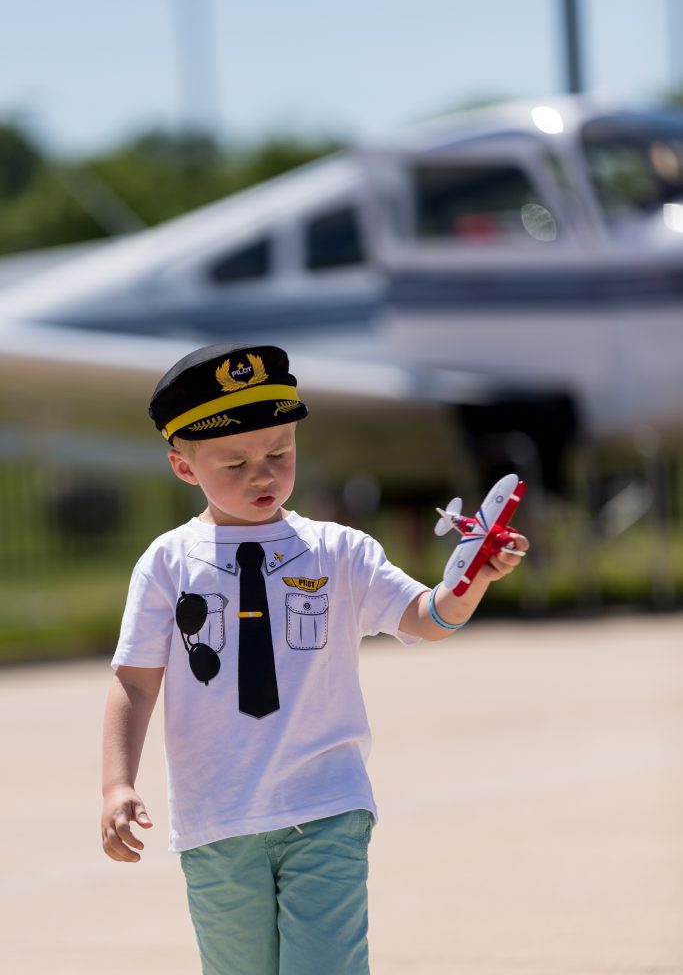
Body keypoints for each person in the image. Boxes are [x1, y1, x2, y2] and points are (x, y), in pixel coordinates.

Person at [101, 342, 528, 975]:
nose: (263, 475)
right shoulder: (167, 562)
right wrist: (117, 783)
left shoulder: (337, 550)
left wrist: (472, 581)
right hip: (217, 821)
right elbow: (134, 682)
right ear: (184, 468)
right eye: (235, 462)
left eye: (279, 453)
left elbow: (425, 618)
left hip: (325, 808)